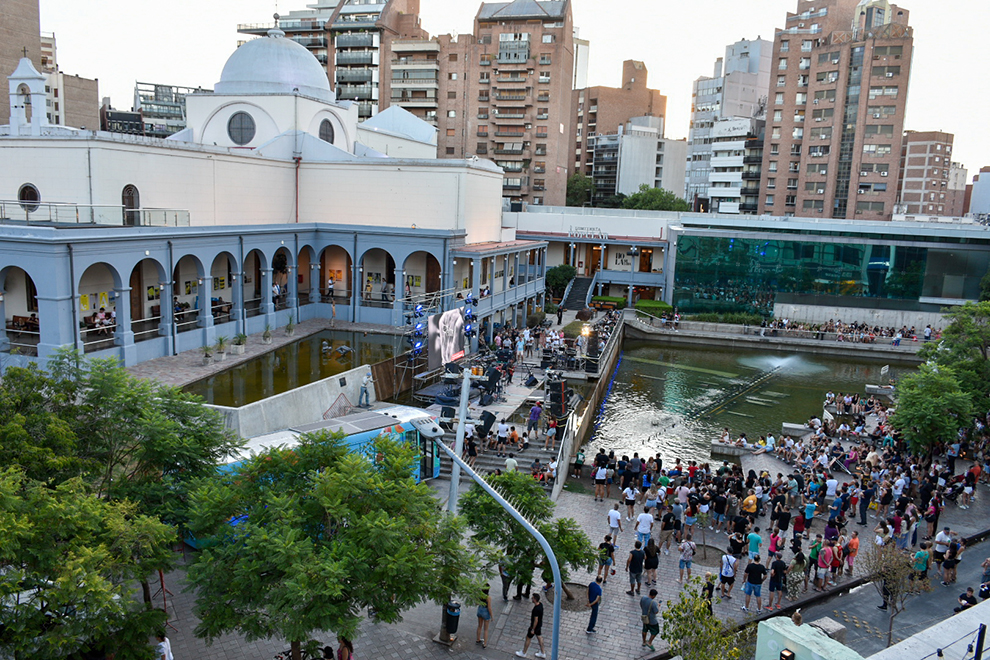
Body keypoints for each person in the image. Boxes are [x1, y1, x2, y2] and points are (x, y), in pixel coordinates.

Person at [515, 593, 546, 658]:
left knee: (528, 638)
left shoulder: (536, 609)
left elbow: (536, 620)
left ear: (535, 599)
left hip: (534, 627)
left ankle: (524, 652)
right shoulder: (541, 605)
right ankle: (543, 653)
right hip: (539, 625)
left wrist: (533, 629)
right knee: (539, 637)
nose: (531, 599)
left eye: (532, 598)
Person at [476, 583, 492, 647]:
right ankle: (485, 643)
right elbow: (489, 607)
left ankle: (478, 639)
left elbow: (477, 603)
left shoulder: (480, 595)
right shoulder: (488, 597)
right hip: (485, 612)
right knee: (486, 629)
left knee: (479, 626)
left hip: (480, 610)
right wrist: (492, 616)